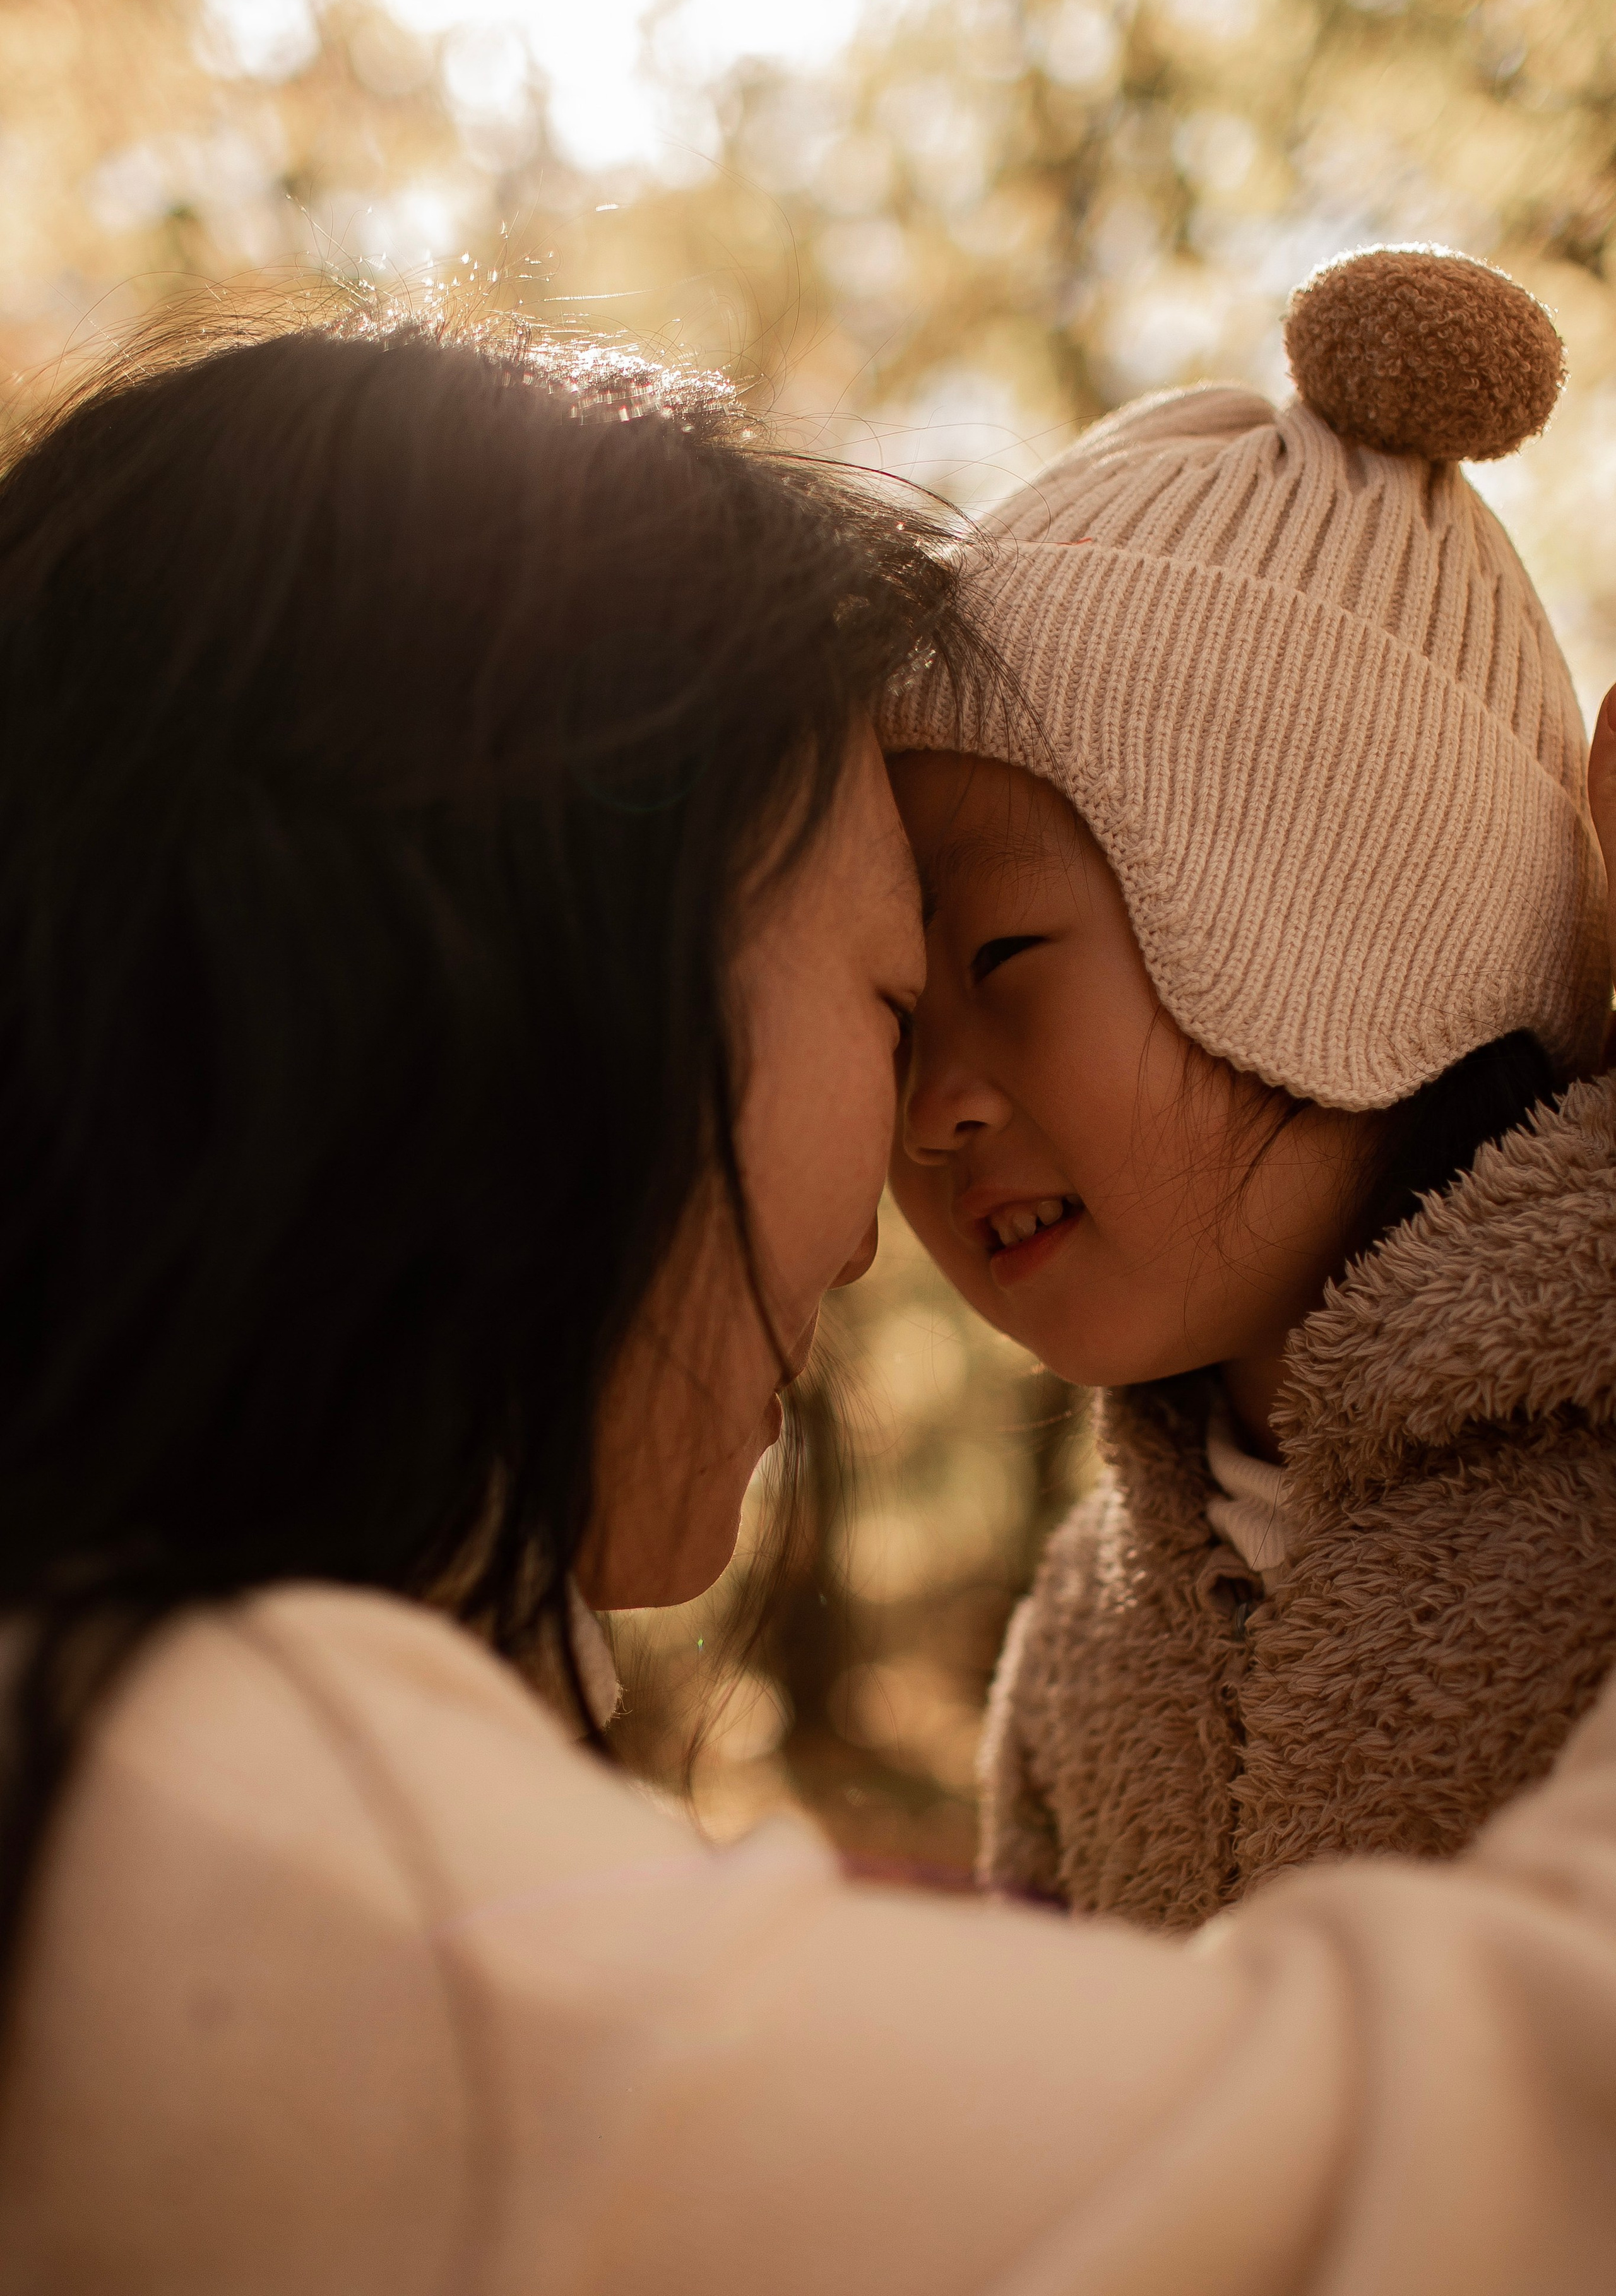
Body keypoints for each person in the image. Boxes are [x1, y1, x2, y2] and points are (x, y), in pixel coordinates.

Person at [1, 302, 1616, 2296]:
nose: (876, 1215)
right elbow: (1461, 2164)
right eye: (880, 993)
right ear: (541, 995)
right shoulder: (269, 1859)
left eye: (1000, 957)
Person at [882, 245, 1616, 1929]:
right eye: (896, 1010)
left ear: (1344, 926)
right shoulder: (1086, 1629)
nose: (932, 1109)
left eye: (997, 960)